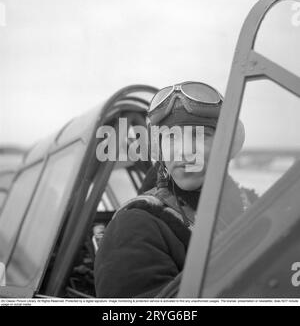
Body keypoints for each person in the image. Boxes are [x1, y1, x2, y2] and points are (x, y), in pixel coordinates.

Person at [94, 81, 258, 298]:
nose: (185, 151)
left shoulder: (254, 204)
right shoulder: (135, 228)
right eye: (171, 137)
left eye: (200, 136)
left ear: (225, 144)